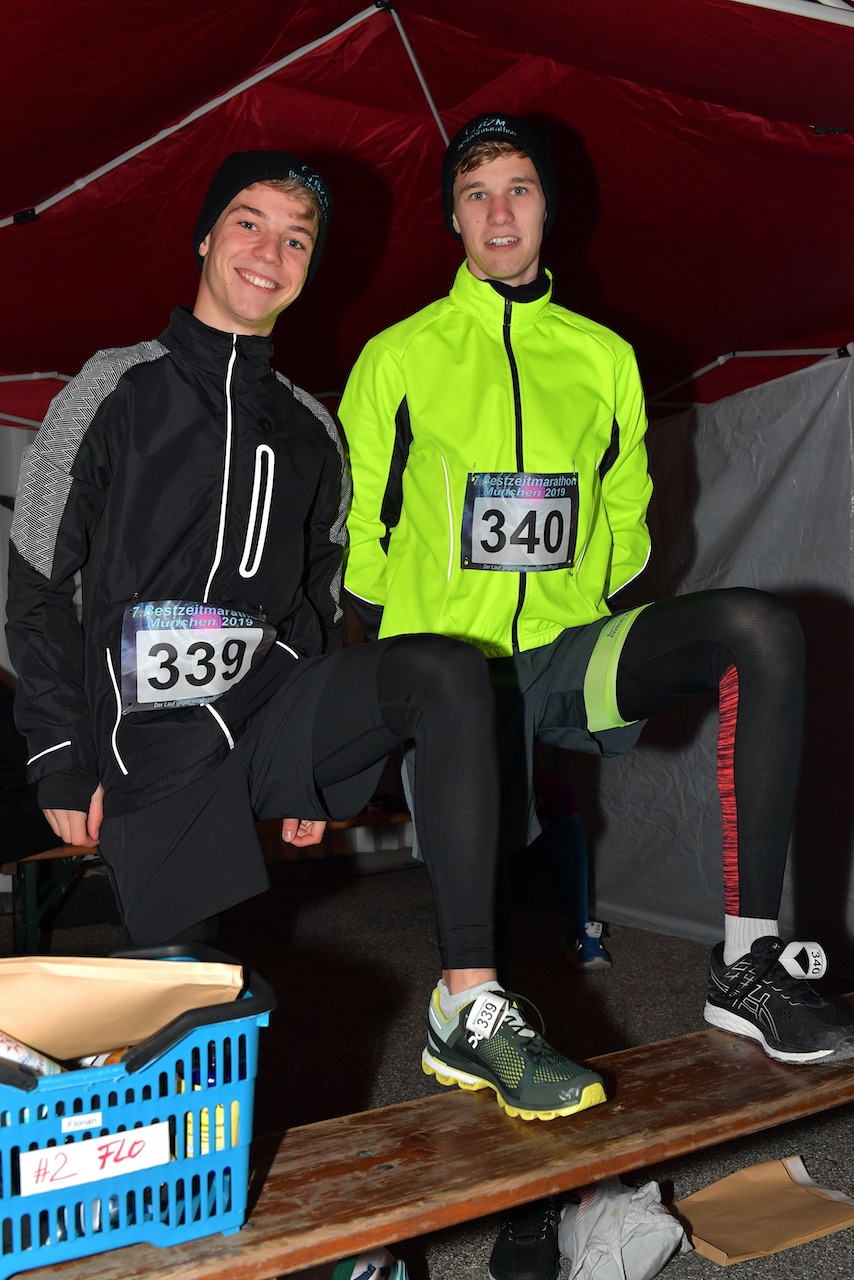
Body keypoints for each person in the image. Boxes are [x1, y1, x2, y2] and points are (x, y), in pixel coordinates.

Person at [339, 111, 854, 1280]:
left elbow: (623, 529)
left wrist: (563, 603)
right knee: (507, 936)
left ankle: (744, 961)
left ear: (545, 209)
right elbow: (360, 546)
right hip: (450, 668)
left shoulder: (603, 355)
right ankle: (529, 1206)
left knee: (757, 628)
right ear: (453, 217)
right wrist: (440, 629)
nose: (499, 212)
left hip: (565, 646)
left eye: (518, 188)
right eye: (474, 193)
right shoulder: (399, 355)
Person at [5, 149, 609, 1126]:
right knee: (182, 1030)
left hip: (268, 717)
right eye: (248, 223)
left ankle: (466, 998)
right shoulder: (111, 389)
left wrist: (319, 777)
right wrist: (61, 758)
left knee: (449, 671)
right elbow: (36, 581)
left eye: (296, 239)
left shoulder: (309, 428)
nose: (270, 251)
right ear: (204, 237)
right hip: (150, 741)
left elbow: (316, 607)